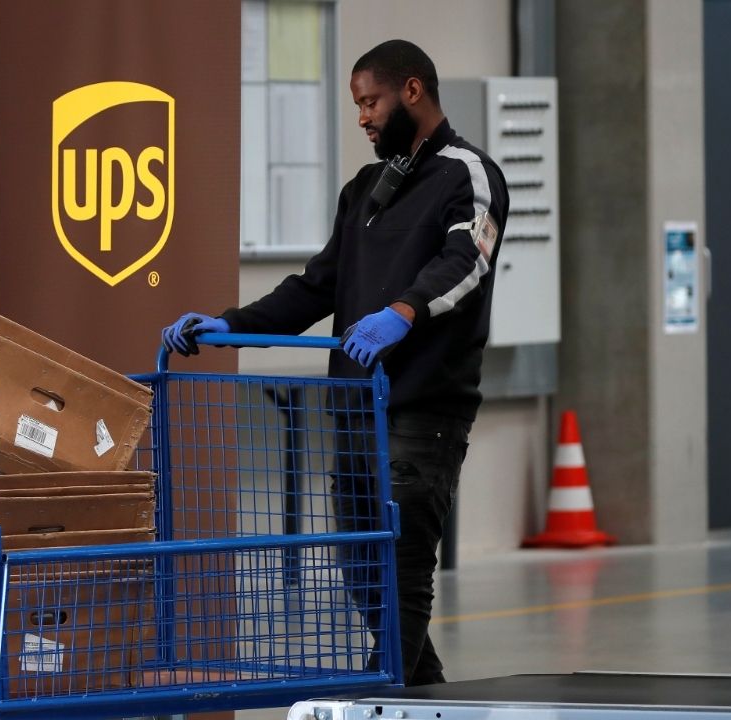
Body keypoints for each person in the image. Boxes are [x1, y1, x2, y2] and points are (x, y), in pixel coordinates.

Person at [161, 39, 508, 685]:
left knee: (401, 571)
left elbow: (467, 261)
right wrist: (232, 326)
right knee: (363, 574)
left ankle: (381, 695)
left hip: (419, 410)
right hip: (352, 412)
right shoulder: (366, 190)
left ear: (412, 90)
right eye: (356, 105)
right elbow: (318, 286)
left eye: (370, 101)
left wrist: (403, 311)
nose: (363, 118)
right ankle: (422, 690)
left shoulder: (467, 173)